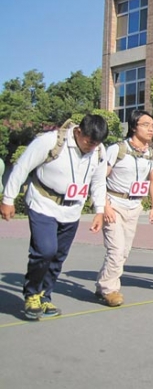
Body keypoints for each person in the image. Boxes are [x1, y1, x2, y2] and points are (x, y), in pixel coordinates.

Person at [0, 114, 108, 319]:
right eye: (89, 142)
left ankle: (44, 296)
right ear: (78, 132)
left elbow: (98, 181)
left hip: (72, 209)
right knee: (45, 250)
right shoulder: (49, 142)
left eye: (96, 144)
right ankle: (31, 293)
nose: (92, 147)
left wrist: (99, 210)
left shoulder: (99, 151)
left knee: (58, 256)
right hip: (43, 202)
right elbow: (22, 166)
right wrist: (8, 199)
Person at [95, 110, 153, 307]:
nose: (151, 129)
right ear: (133, 127)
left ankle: (103, 284)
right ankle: (110, 290)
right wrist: (104, 205)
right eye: (146, 125)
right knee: (116, 250)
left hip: (134, 206)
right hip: (114, 204)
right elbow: (99, 178)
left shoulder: (151, 153)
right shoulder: (117, 149)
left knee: (124, 251)